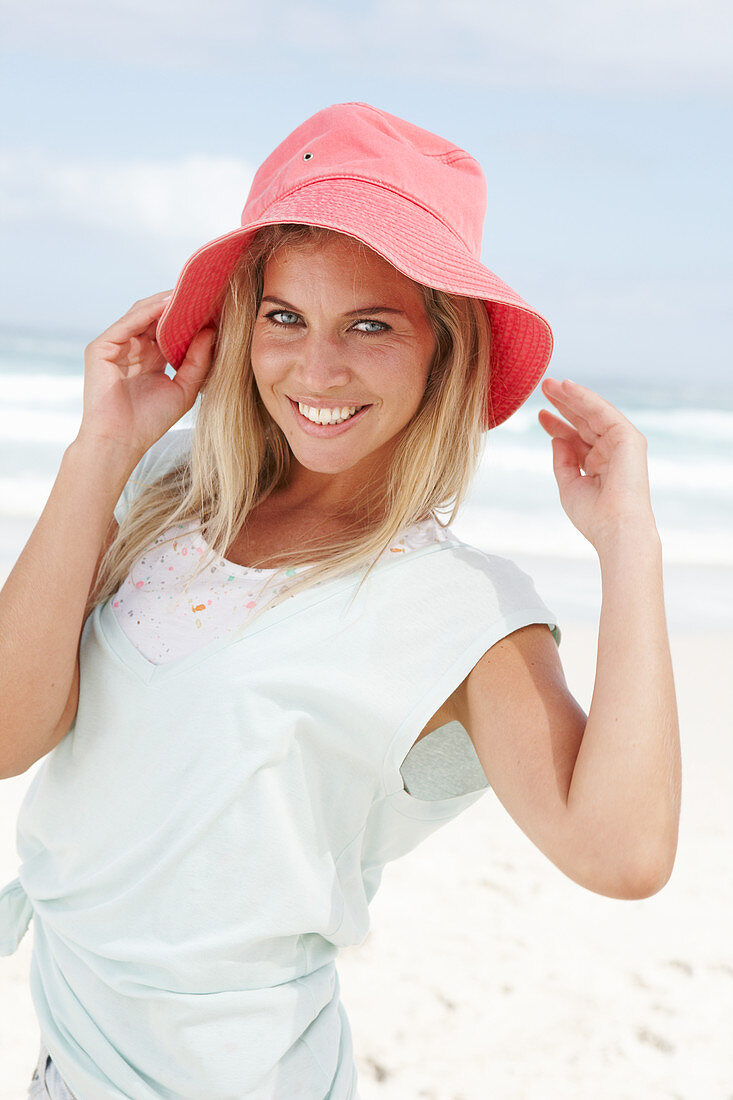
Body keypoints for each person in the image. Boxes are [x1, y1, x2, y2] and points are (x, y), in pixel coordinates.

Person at [0, 102, 680, 1100]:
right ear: (243, 323)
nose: (317, 369)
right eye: (286, 317)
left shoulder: (457, 607)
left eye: (371, 325)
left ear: (442, 351)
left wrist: (631, 545)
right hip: (72, 1064)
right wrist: (99, 448)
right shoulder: (165, 491)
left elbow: (621, 854)